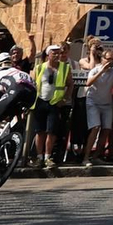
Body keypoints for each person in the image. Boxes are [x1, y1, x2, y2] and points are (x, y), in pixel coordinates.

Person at [30, 43, 73, 171]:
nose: (57, 55)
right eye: (54, 53)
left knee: (52, 131)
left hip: (55, 102)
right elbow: (32, 84)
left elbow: (70, 84)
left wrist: (65, 99)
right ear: (48, 55)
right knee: (40, 131)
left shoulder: (65, 68)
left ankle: (48, 157)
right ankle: (39, 157)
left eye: (58, 53)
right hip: (40, 101)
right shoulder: (39, 68)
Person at [82, 41, 113, 164]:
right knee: (95, 127)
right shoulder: (95, 69)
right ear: (102, 59)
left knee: (106, 129)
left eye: (112, 60)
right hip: (93, 102)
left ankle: (97, 156)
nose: (110, 62)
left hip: (107, 103)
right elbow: (88, 83)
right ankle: (86, 157)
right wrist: (102, 71)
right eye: (108, 59)